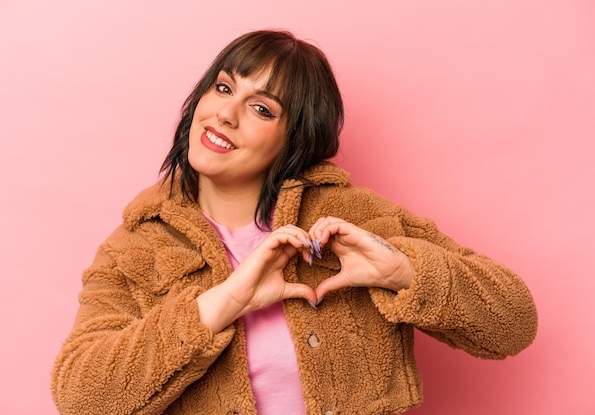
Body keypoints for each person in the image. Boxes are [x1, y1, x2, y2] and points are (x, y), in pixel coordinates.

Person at [51, 30, 537, 415]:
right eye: (223, 88)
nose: (225, 113)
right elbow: (82, 398)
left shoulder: (358, 218)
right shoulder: (137, 244)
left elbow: (513, 324)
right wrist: (221, 303)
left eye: (261, 108)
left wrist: (406, 272)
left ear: (296, 139)